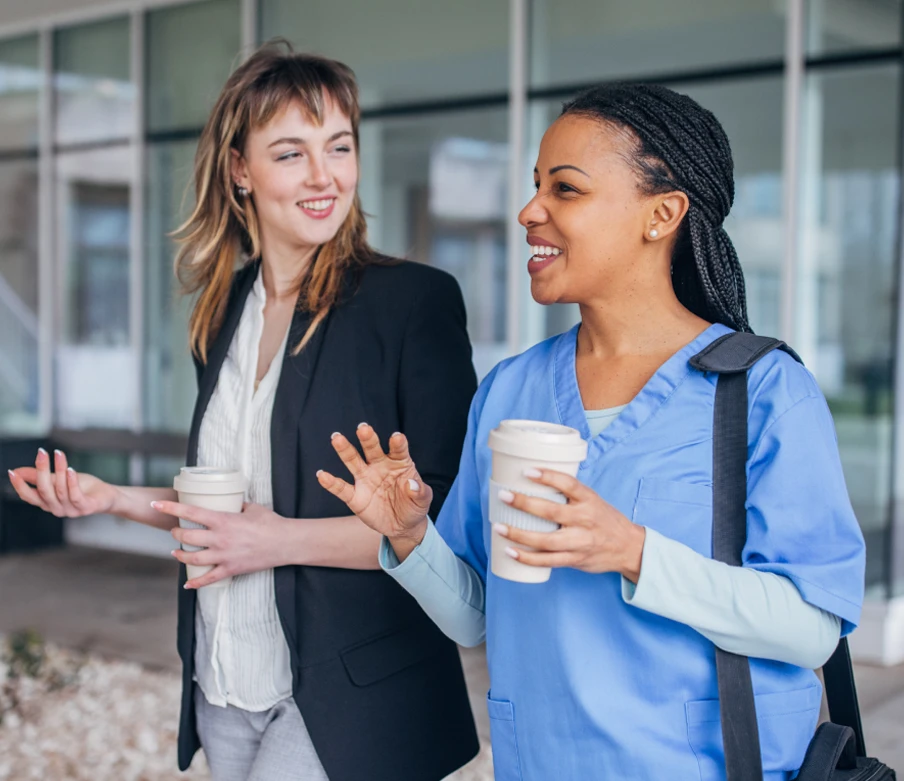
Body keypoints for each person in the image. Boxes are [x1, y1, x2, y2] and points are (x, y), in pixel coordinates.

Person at [317, 83, 867, 781]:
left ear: (661, 214)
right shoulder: (510, 390)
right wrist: (408, 533)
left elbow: (812, 628)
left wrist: (634, 551)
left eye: (565, 189)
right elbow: (475, 617)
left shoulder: (761, 392)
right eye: (534, 185)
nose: (529, 211)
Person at [9, 42, 479, 781]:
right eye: (291, 152)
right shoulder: (225, 307)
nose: (325, 176)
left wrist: (279, 539)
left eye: (340, 146)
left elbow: (443, 524)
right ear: (239, 169)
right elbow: (226, 508)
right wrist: (112, 499)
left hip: (349, 686)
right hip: (226, 669)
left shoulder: (413, 303)